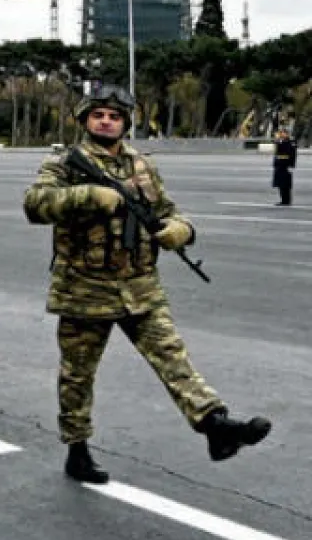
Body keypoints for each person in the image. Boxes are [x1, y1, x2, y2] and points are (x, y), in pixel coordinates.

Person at [23, 86, 271, 483]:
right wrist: (90, 196)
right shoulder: (65, 163)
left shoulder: (142, 165)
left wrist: (182, 230)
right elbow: (35, 205)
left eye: (115, 116)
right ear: (86, 119)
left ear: (125, 123)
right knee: (77, 376)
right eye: (100, 114)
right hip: (84, 289)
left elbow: (167, 210)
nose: (107, 120)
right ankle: (77, 450)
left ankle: (215, 426)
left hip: (140, 287)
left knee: (173, 358)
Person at [273, 128, 296, 206]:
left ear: (286, 134)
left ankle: (286, 200)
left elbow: (292, 154)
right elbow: (277, 152)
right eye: (280, 133)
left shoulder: (289, 142)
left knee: (285, 184)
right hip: (279, 164)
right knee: (280, 184)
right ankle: (283, 200)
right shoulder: (281, 141)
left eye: (282, 133)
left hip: (285, 164)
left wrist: (291, 165)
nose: (281, 134)